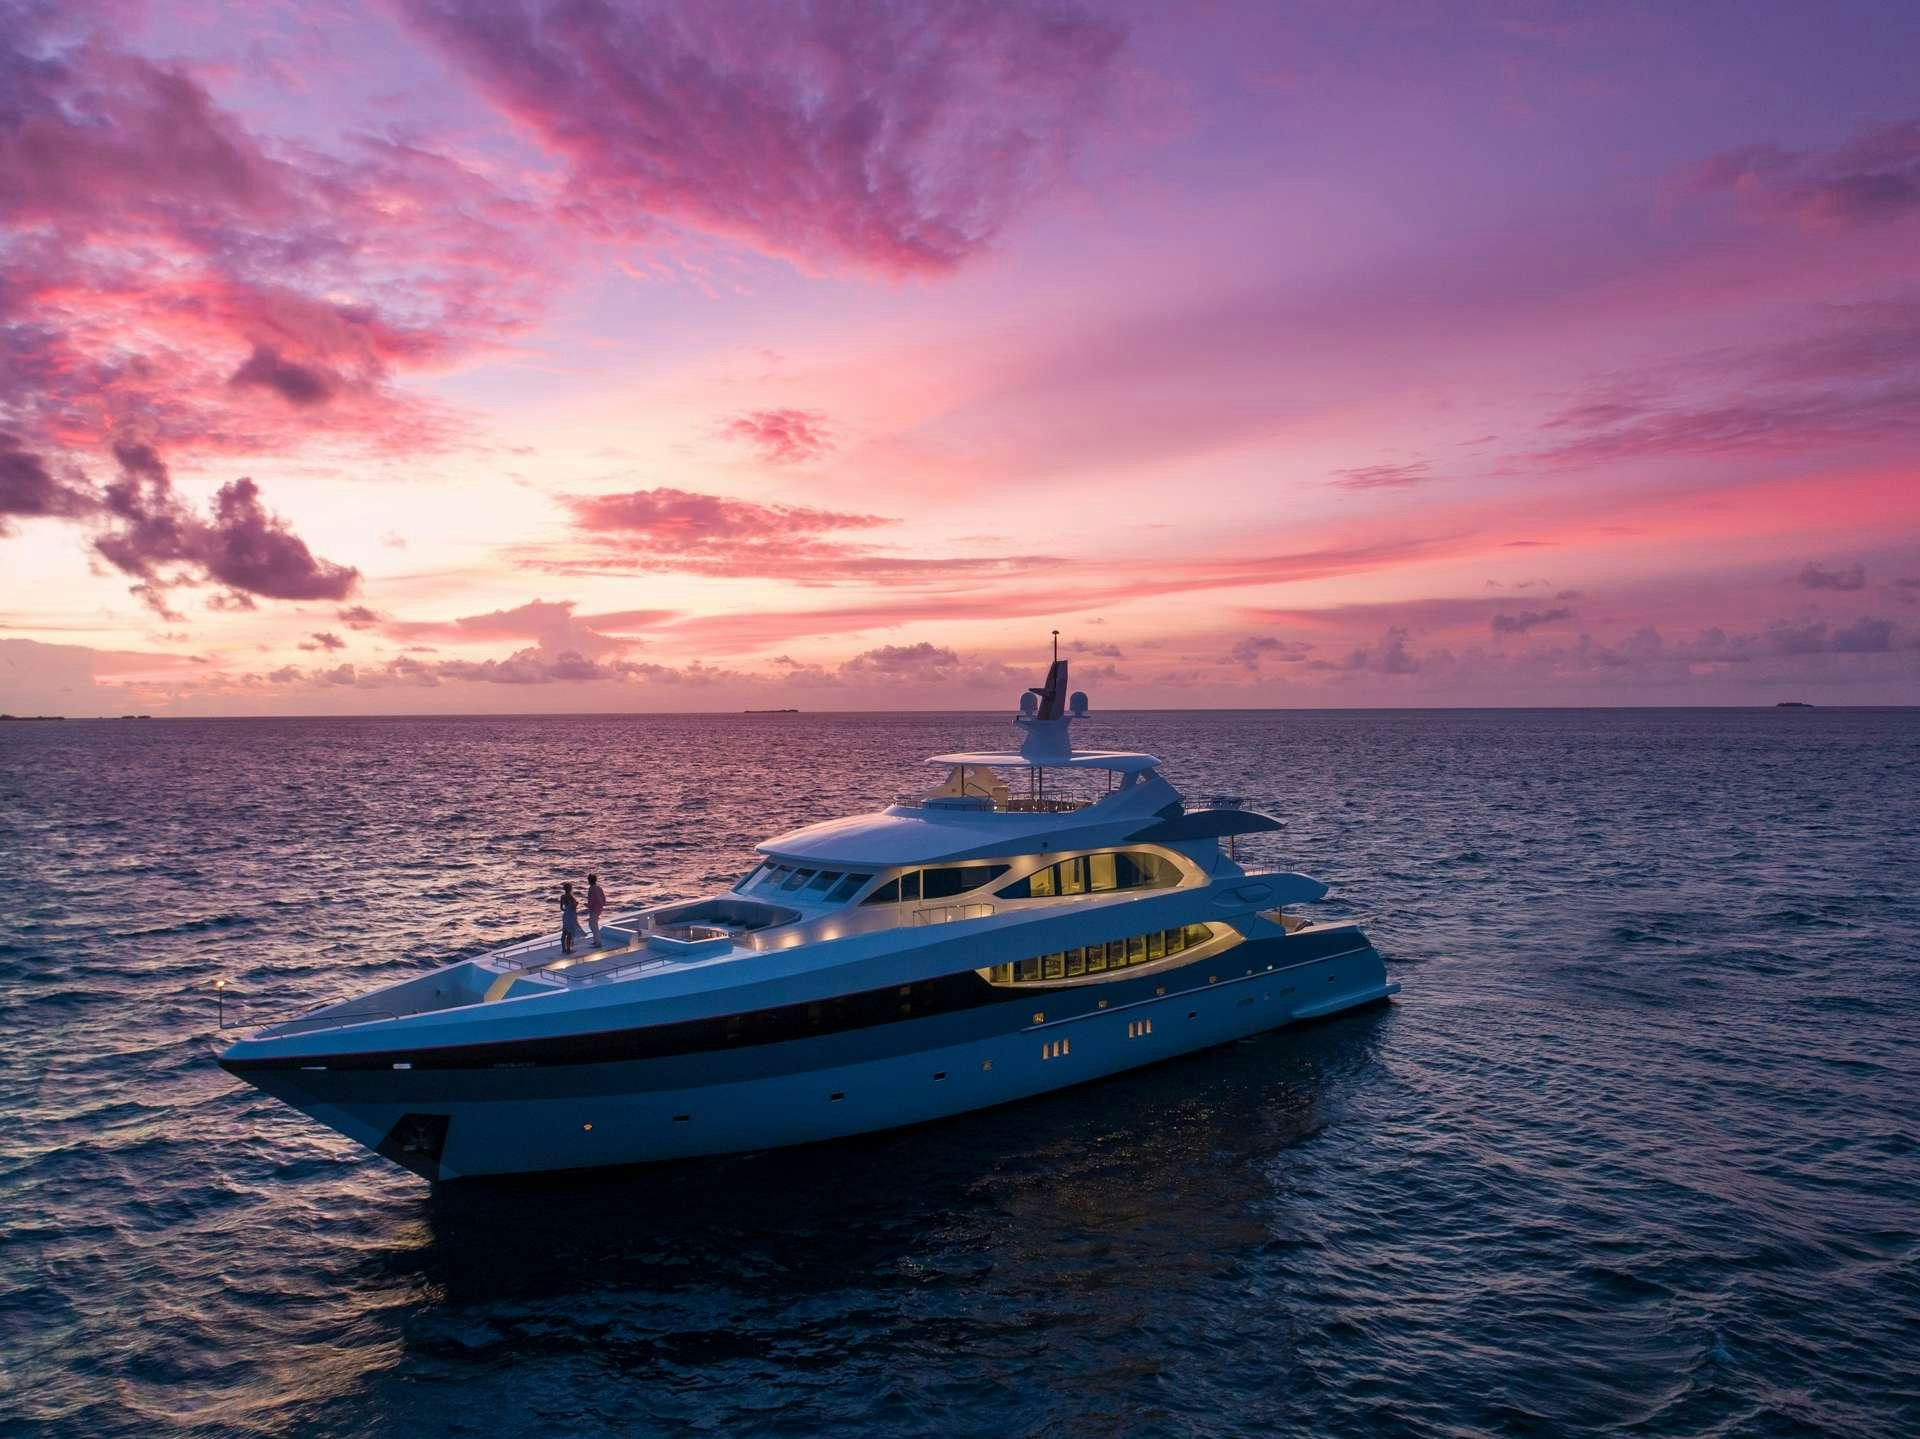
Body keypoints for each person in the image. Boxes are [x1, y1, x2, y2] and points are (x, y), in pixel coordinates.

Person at [559, 881, 583, 955]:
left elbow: (561, 908)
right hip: (571, 915)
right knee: (569, 933)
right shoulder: (571, 897)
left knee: (564, 931)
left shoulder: (562, 897)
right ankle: (568, 949)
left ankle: (563, 948)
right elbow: (573, 906)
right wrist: (576, 904)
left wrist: (566, 910)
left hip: (565, 915)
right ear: (570, 889)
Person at [586, 873, 607, 948]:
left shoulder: (591, 888)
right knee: (593, 924)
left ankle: (598, 943)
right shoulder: (598, 887)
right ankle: (596, 941)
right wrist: (602, 904)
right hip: (599, 908)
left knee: (592, 925)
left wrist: (588, 905)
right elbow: (603, 898)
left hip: (594, 909)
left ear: (590, 881)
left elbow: (592, 900)